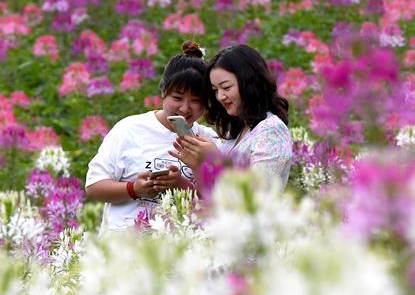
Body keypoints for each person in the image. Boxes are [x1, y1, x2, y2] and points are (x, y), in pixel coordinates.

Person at [85, 41, 219, 231]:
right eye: (177, 98)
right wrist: (134, 189)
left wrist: (183, 185)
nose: (185, 108)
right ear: (163, 92)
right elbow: (94, 187)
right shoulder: (129, 129)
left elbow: (222, 205)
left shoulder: (209, 142)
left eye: (196, 101)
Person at [170, 44, 292, 189]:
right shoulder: (237, 130)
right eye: (215, 90)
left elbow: (258, 193)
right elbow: (217, 193)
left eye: (226, 87)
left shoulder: (272, 130)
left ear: (249, 83)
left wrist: (216, 158)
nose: (220, 97)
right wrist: (198, 164)